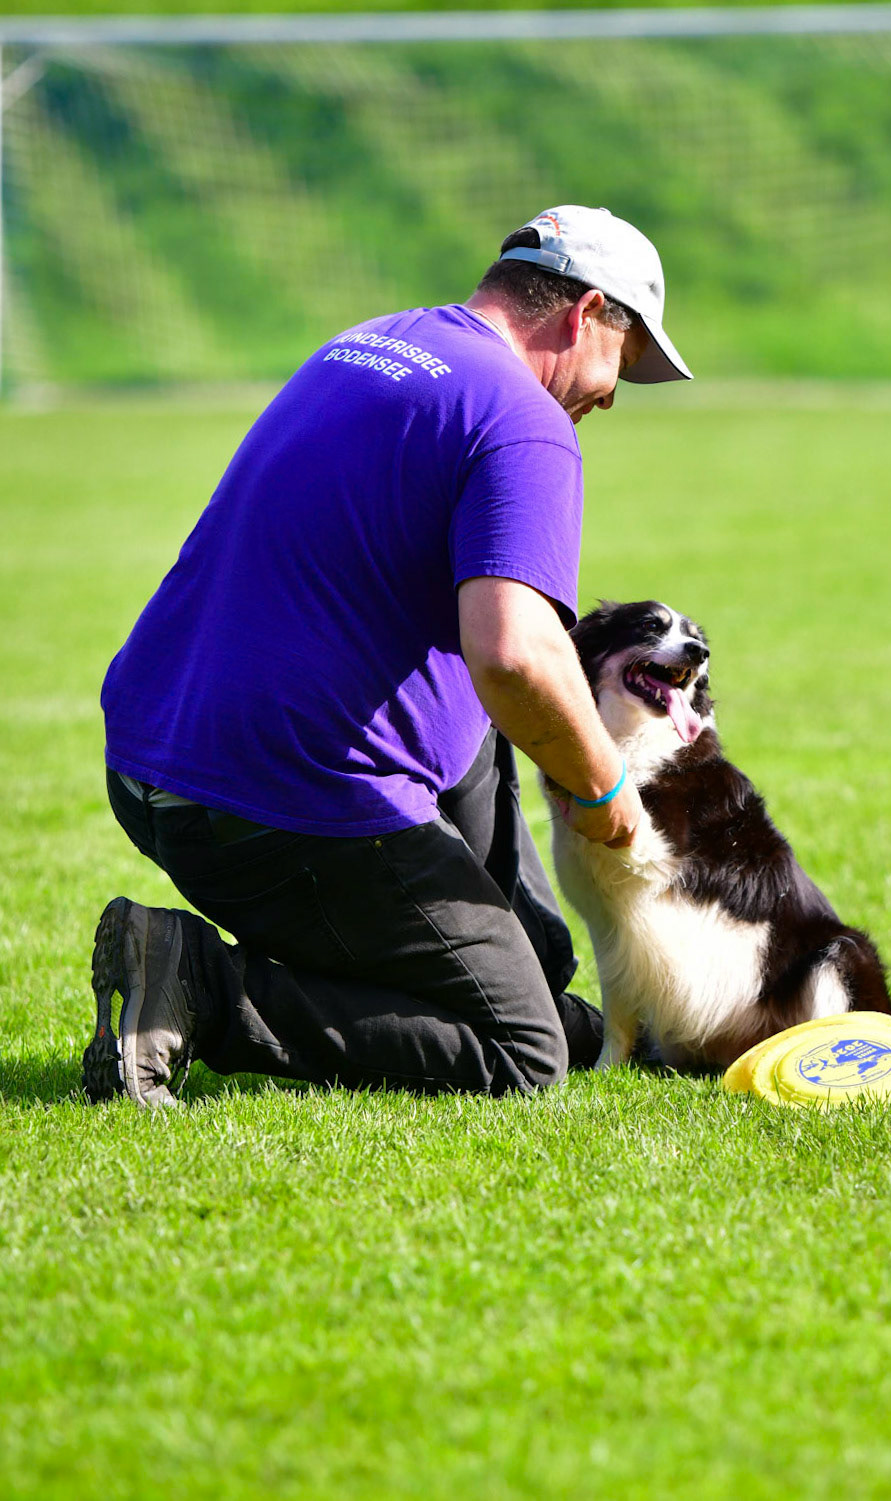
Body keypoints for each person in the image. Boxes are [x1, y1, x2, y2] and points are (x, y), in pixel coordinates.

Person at [83, 204, 692, 1108]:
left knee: (519, 941)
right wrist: (610, 795)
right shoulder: (526, 420)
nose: (610, 395)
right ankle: (198, 983)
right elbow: (515, 656)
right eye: (625, 360)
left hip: (148, 762)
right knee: (525, 1052)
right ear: (586, 312)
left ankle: (529, 977)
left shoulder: (370, 344)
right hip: (277, 805)